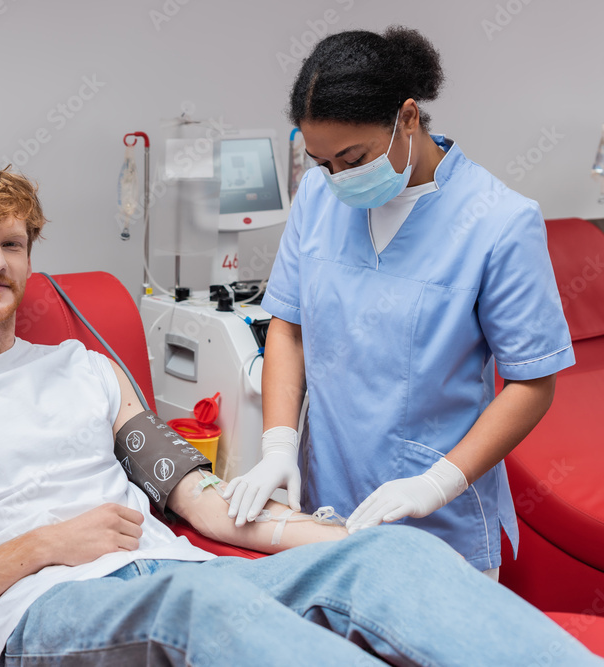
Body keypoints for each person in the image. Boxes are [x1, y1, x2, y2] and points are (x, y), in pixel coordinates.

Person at [0, 161, 601, 667]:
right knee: (204, 597)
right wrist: (45, 545)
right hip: (47, 614)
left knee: (394, 554)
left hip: (185, 576)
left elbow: (200, 501)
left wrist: (340, 532)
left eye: (11, 242)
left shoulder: (86, 370)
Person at [222, 26, 573, 578]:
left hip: (441, 523)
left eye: (352, 156)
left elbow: (532, 383)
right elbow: (286, 328)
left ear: (407, 118)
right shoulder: (318, 199)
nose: (336, 177)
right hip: (325, 511)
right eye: (322, 162)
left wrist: (438, 483)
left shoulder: (499, 222)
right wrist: (277, 446)